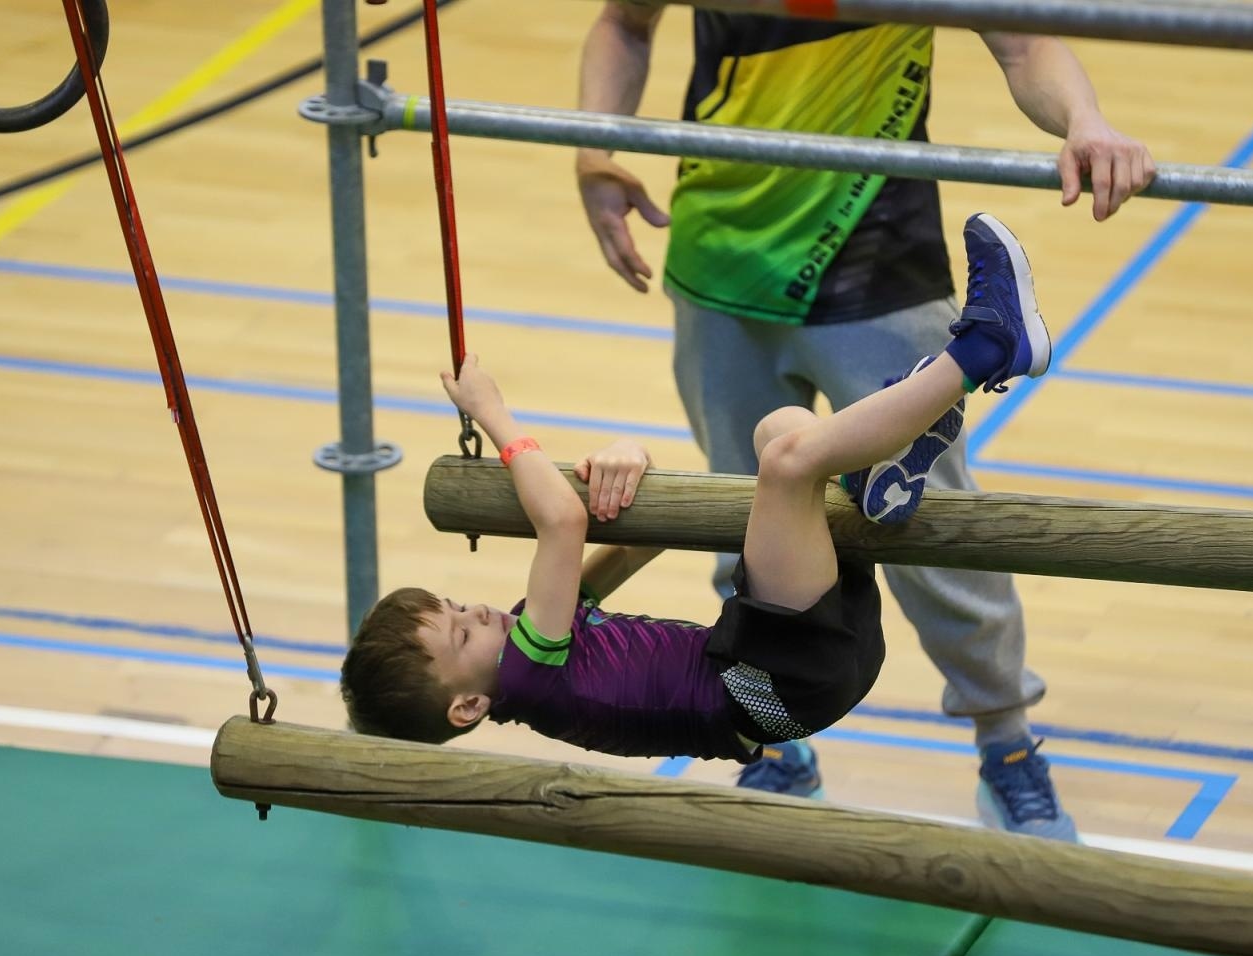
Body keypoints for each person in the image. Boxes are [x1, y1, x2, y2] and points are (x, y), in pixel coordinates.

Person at [576, 3, 1154, 838]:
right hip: (718, 265)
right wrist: (593, 151)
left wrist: (1084, 119)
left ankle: (1008, 743)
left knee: (934, 533)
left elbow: (1022, 41)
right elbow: (624, 26)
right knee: (744, 521)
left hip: (884, 264)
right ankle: (770, 738)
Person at [341, 215, 1052, 772]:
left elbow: (632, 540)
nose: (480, 612)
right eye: (463, 631)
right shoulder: (531, 673)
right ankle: (987, 349)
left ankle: (873, 475)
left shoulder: (540, 648)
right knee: (788, 465)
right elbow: (560, 520)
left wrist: (628, 462)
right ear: (468, 705)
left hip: (801, 673)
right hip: (777, 681)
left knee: (780, 430)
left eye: (460, 605)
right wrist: (495, 415)